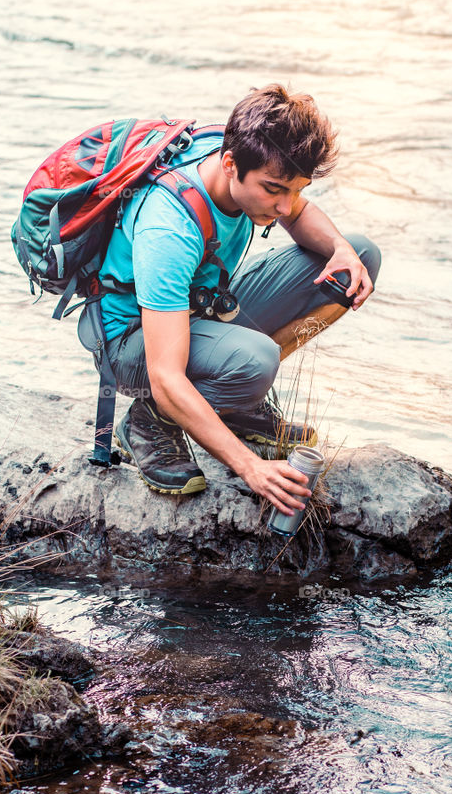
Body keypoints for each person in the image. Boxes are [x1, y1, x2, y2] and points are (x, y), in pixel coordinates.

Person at [99, 84, 382, 516]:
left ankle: (231, 401)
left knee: (358, 257)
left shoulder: (244, 156)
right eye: (274, 190)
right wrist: (251, 468)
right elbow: (165, 375)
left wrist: (339, 248)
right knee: (255, 361)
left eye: (296, 189)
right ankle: (149, 420)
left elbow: (301, 213)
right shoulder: (169, 227)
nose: (286, 207)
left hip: (203, 307)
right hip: (133, 343)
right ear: (230, 165)